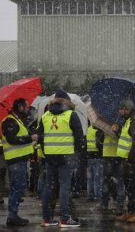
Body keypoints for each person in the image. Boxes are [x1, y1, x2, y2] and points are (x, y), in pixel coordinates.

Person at [38, 89, 85, 227]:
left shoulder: (45, 115)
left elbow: (40, 137)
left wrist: (47, 153)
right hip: (66, 156)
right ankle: (64, 219)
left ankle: (46, 218)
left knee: (49, 186)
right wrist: (77, 154)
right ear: (67, 101)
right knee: (65, 186)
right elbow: (79, 138)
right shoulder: (71, 115)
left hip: (50, 156)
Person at [1, 98, 37, 226]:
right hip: (16, 161)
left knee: (17, 187)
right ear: (21, 107)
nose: (28, 110)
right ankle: (12, 215)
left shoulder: (16, 120)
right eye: (27, 107)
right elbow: (12, 139)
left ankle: (13, 215)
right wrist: (29, 138)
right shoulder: (9, 121)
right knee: (18, 187)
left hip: (19, 160)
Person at [115, 99, 135, 223]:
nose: (120, 111)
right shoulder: (129, 121)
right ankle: (131, 211)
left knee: (134, 187)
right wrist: (117, 131)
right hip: (127, 159)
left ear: (127, 109)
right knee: (129, 186)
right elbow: (126, 139)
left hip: (131, 160)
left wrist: (130, 160)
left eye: (121, 109)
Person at [100, 124, 125, 216]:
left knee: (116, 182)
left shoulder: (122, 125)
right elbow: (99, 141)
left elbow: (124, 139)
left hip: (116, 156)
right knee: (111, 182)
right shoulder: (104, 126)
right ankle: (107, 204)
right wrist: (104, 131)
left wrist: (116, 132)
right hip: (110, 156)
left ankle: (115, 205)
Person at [86, 124, 103, 202]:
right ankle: (98, 195)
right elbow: (98, 144)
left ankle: (90, 196)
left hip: (89, 155)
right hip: (97, 156)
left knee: (90, 178)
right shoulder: (98, 129)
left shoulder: (88, 129)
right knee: (97, 177)